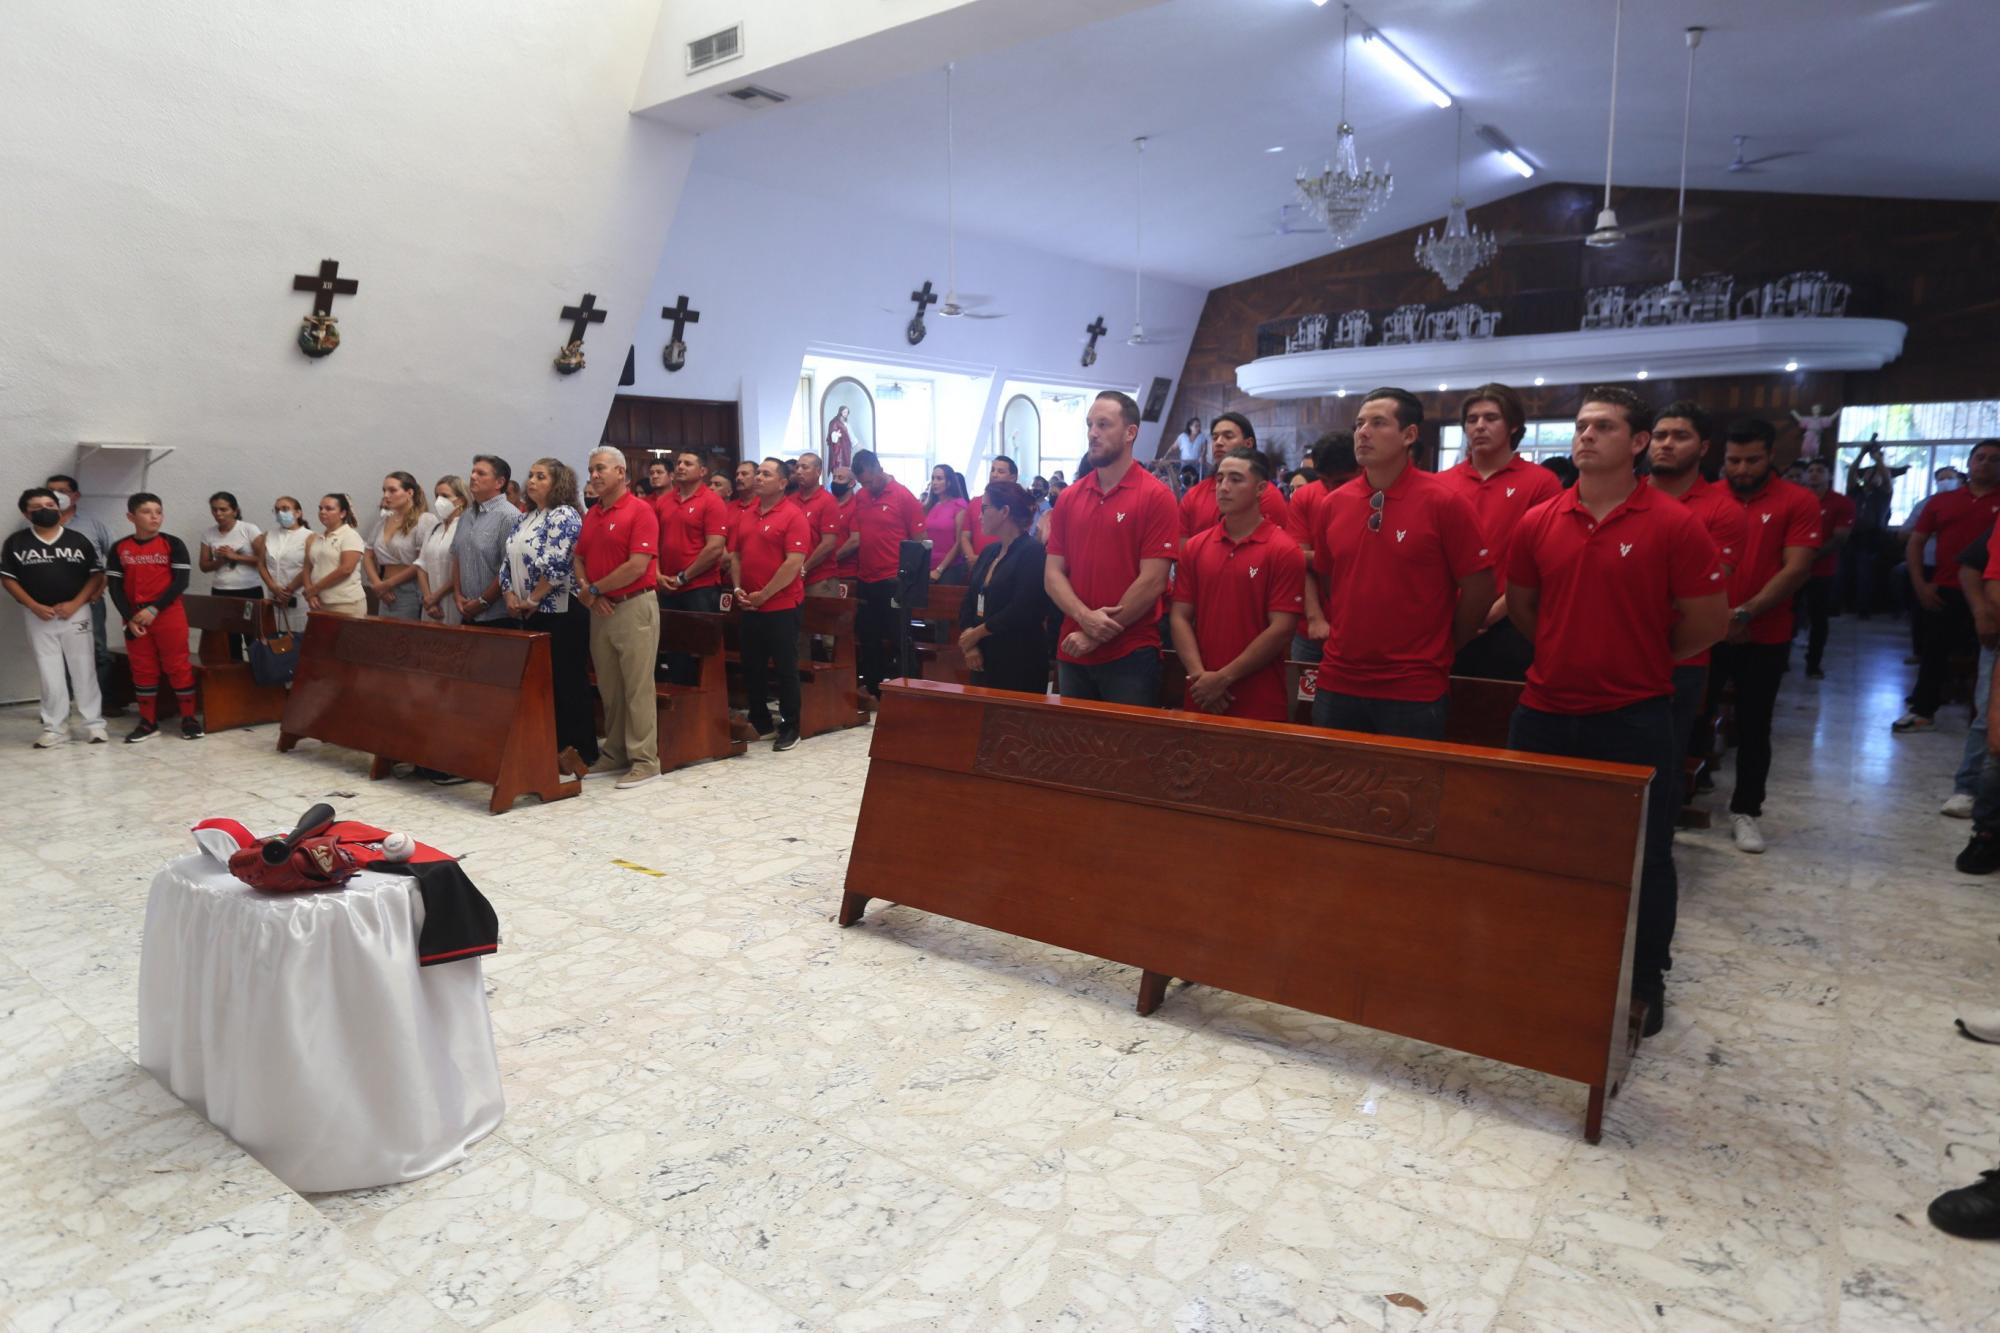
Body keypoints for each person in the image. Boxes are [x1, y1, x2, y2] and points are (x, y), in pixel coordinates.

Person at [1505, 387, 1728, 1037]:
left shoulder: (1673, 523)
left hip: (1632, 712)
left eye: (1603, 426)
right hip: (1543, 708)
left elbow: (1708, 623)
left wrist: (1638, 658)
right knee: (1535, 844)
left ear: (1636, 443)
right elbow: (1524, 609)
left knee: (1645, 854)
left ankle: (1643, 977)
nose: (1586, 436)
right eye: (1581, 426)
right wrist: (1565, 646)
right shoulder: (1540, 519)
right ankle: (1540, 960)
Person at [1306, 388, 1493, 740]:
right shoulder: (1333, 504)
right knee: (1332, 788)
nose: (1363, 432)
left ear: (1409, 435)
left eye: (1378, 423)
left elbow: (1479, 587)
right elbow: (1332, 580)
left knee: (1406, 792)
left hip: (1413, 686)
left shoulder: (1444, 502)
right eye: (1359, 424)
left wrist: (1448, 641)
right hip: (1338, 678)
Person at [1709, 419, 1821, 852]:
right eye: (1733, 461)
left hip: (1765, 632)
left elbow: (1797, 568)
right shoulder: (1708, 499)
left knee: (1755, 725)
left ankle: (1746, 810)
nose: (1741, 469)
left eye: (1751, 460)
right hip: (1705, 631)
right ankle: (1684, 796)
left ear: (1770, 456)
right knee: (1694, 717)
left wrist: (1745, 613)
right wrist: (1715, 617)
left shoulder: (1798, 500)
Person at [1044, 391, 1179, 705]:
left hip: (1129, 652)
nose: (1093, 433)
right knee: (1071, 751)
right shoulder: (1070, 497)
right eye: (1090, 424)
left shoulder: (1155, 496)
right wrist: (1083, 617)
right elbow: (1053, 574)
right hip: (1073, 649)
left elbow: (1154, 580)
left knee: (1125, 751)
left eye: (1103, 424)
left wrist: (1094, 633)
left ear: (1130, 432)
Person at [1646, 401, 1747, 798]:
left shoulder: (1723, 510)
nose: (1666, 444)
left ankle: (1655, 856)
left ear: (1704, 447)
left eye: (1680, 436)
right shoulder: (1624, 494)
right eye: (1659, 435)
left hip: (1679, 656)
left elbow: (1700, 590)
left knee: (1664, 761)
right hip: (1609, 649)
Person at [1439, 384, 1563, 682]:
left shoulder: (1541, 483)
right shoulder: (1441, 483)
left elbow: (1546, 561)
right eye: (1472, 419)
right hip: (1445, 620)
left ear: (1513, 426)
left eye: (1491, 418)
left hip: (1510, 621)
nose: (1479, 426)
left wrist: (1492, 612)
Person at [1169, 448, 1304, 721]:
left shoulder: (1283, 550)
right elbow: (1180, 616)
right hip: (1201, 692)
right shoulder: (1197, 546)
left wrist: (1223, 678)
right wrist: (1201, 678)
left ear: (1261, 489)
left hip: (1257, 696)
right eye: (1220, 479)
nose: (1224, 487)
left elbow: (1281, 629)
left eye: (1235, 479)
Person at [500, 458, 596, 774]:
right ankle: (551, 745)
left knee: (567, 680)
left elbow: (557, 564)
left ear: (558, 484)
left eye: (541, 476)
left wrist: (532, 598)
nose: (532, 481)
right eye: (530, 475)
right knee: (543, 683)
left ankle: (580, 750)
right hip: (530, 610)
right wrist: (509, 594)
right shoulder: (527, 517)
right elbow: (506, 560)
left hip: (562, 611)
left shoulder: (564, 515)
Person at [1899, 439, 2000, 732]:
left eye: (1994, 459)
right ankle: (1923, 710)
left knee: (1989, 656)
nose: (1985, 463)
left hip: (1992, 589)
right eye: (1980, 458)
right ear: (1968, 464)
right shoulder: (1942, 501)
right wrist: (1920, 583)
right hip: (1946, 586)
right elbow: (1915, 543)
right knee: (1934, 651)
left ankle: (1985, 719)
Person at [576, 446, 661, 789]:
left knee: (637, 686)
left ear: (621, 473)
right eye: (591, 469)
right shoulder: (593, 514)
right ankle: (615, 751)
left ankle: (645, 760)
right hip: (601, 609)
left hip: (633, 605)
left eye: (600, 469)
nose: (594, 475)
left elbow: (637, 566)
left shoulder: (640, 511)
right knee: (611, 686)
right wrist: (589, 591)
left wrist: (594, 591)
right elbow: (579, 557)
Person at [5, 487, 108, 746]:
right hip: (38, 615)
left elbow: (95, 575)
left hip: (76, 613)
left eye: (50, 504)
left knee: (84, 667)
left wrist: (75, 603)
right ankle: (55, 727)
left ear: (59, 507)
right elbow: (8, 579)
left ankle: (94, 724)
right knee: (49, 670)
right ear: (26, 513)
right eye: (37, 506)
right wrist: (34, 605)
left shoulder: (78, 540)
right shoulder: (16, 542)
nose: (45, 510)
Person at [105, 492, 200, 742]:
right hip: (135, 618)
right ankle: (148, 722)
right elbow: (114, 586)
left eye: (158, 512)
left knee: (177, 665)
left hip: (167, 613)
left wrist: (155, 609)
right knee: (142, 668)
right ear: (131, 516)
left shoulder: (173, 544)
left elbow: (181, 581)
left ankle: (189, 718)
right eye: (147, 512)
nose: (154, 517)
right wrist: (130, 617)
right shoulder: (119, 548)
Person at [729, 457, 810, 750]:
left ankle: (791, 727)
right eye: (758, 473)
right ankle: (761, 721)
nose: (759, 478)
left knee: (785, 667)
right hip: (750, 604)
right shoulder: (747, 513)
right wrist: (738, 588)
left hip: (782, 605)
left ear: (782, 483)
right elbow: (736, 555)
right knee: (753, 666)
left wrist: (764, 594)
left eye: (766, 474)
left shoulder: (793, 515)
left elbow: (793, 563)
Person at [838, 449, 925, 698]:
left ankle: (910, 690)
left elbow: (919, 542)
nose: (866, 486)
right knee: (869, 637)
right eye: (862, 483)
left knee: (899, 639)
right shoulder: (862, 497)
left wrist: (907, 578)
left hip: (893, 580)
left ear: (878, 468)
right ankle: (874, 688)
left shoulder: (903, 496)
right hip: (866, 578)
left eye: (869, 480)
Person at [957, 479, 1050, 694]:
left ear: (1004, 511)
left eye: (985, 508)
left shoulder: (1032, 552)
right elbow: (969, 600)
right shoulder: (990, 552)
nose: (979, 516)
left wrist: (978, 633)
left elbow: (1022, 608)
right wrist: (970, 643)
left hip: (1018, 657)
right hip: (981, 655)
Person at [1289, 432, 1358, 668]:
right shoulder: (1305, 496)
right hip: (1312, 627)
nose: (1330, 489)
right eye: (1323, 481)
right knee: (1303, 702)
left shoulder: (1375, 496)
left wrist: (1315, 558)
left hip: (1361, 626)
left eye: (1339, 482)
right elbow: (1297, 560)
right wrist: (1314, 617)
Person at [1179, 413, 1287, 540]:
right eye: (1215, 438)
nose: (1218, 442)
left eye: (1228, 436)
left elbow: (1273, 546)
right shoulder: (1193, 496)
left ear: (1248, 444)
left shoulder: (1265, 494)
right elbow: (1184, 551)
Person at [1800, 460, 1855, 680]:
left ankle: (1813, 663)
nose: (1814, 474)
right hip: (1790, 569)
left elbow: (1840, 537)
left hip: (1821, 570)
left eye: (1819, 470)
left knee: (1818, 618)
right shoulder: (1798, 500)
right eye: (1810, 471)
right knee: (1787, 614)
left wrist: (1808, 557)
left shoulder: (1841, 502)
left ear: (1829, 476)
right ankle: (1781, 660)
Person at [451, 455, 521, 628]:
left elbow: (509, 568)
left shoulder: (510, 516)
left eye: (481, 473)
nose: (473, 477)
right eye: (473, 472)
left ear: (499, 483)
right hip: (466, 611)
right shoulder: (466, 515)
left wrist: (482, 602)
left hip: (498, 616)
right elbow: (457, 556)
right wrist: (457, 594)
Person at [196, 490, 264, 660]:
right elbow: (204, 566)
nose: (218, 514)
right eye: (214, 510)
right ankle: (235, 677)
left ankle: (258, 678)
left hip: (248, 590)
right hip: (221, 590)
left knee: (253, 637)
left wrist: (235, 556)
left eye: (223, 509)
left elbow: (264, 559)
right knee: (228, 638)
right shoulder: (209, 533)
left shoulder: (248, 529)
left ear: (234, 510)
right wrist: (221, 560)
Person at [362, 472, 435, 622]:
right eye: (384, 490)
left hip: (409, 588)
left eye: (392, 490)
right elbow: (368, 554)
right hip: (383, 587)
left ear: (409, 493)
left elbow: (422, 561)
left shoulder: (424, 520)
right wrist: (377, 584)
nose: (386, 495)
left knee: (403, 638)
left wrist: (387, 585)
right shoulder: (384, 521)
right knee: (385, 637)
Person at [302, 494, 367, 618]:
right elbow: (307, 567)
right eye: (320, 508)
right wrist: (311, 594)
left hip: (345, 603)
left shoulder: (350, 535)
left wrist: (315, 589)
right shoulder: (317, 539)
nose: (322, 512)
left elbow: (346, 569)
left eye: (328, 508)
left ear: (342, 513)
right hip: (320, 602)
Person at [255, 495, 312, 633]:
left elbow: (308, 567)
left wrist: (288, 590)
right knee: (275, 640)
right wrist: (273, 586)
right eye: (277, 510)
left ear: (298, 512)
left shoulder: (310, 536)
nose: (281, 513)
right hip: (274, 595)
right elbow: (261, 564)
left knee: (299, 638)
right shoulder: (268, 535)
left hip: (297, 596)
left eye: (285, 509)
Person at [789, 451, 843, 594]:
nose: (799, 471)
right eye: (797, 467)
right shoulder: (790, 501)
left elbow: (828, 544)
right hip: (792, 577)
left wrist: (804, 568)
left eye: (805, 467)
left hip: (819, 577)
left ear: (818, 472)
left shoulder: (827, 501)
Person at [417, 476, 467, 625]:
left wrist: (436, 596)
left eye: (445, 496)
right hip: (430, 604)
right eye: (437, 496)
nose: (439, 501)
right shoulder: (433, 529)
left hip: (453, 600)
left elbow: (463, 569)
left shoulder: (465, 528)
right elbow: (421, 565)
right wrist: (428, 598)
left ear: (461, 500)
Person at [956, 455, 1019, 571]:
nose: (994, 475)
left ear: (1012, 477)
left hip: (1007, 565)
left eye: (1000, 471)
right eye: (992, 470)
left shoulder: (1018, 504)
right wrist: (971, 557)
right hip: (976, 565)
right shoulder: (975, 502)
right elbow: (965, 536)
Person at [923, 464, 971, 583]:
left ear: (949, 482)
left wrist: (940, 569)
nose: (934, 482)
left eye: (939, 478)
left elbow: (959, 542)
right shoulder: (930, 506)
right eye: (933, 478)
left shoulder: (959, 505)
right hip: (928, 565)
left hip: (950, 566)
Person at [826, 403, 856, 473]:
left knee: (846, 463)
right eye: (844, 412)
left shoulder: (846, 423)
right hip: (839, 448)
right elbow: (832, 433)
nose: (846, 414)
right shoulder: (835, 421)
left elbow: (850, 434)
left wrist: (856, 443)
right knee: (839, 463)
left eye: (847, 412)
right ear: (840, 412)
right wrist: (837, 434)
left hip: (846, 447)